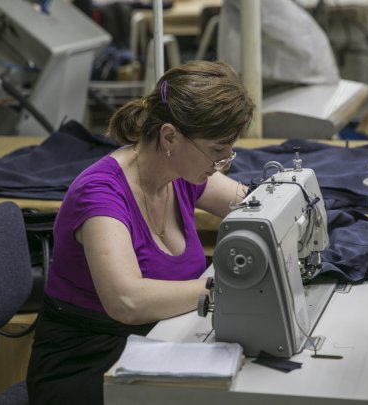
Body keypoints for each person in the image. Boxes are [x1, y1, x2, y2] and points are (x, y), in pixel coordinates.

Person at [26, 60, 255, 404]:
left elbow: (256, 208)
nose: (221, 164)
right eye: (217, 151)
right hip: (87, 365)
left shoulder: (182, 175)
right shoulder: (101, 194)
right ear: (169, 137)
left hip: (159, 341)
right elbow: (127, 301)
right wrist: (225, 287)